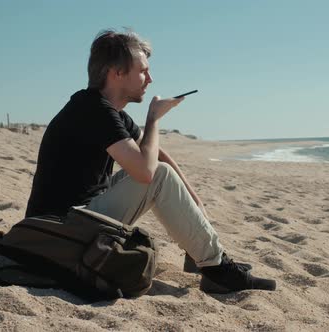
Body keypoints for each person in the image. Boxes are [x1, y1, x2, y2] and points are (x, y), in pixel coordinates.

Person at [25, 28, 276, 293]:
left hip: (73, 221)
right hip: (58, 234)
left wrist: (196, 202)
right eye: (143, 71)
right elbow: (147, 172)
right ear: (116, 72)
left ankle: (200, 255)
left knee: (160, 170)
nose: (150, 79)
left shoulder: (105, 110)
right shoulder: (92, 109)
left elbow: (157, 154)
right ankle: (218, 271)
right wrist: (154, 117)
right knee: (158, 176)